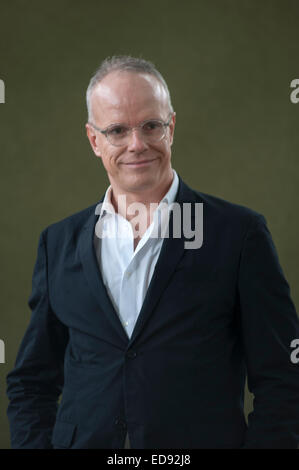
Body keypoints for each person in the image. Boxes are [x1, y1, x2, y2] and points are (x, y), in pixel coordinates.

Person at [6, 55, 299, 449]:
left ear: (171, 127)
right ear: (94, 140)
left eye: (151, 125)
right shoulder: (58, 243)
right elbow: (31, 382)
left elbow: (284, 378)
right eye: (117, 130)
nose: (137, 144)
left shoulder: (239, 235)